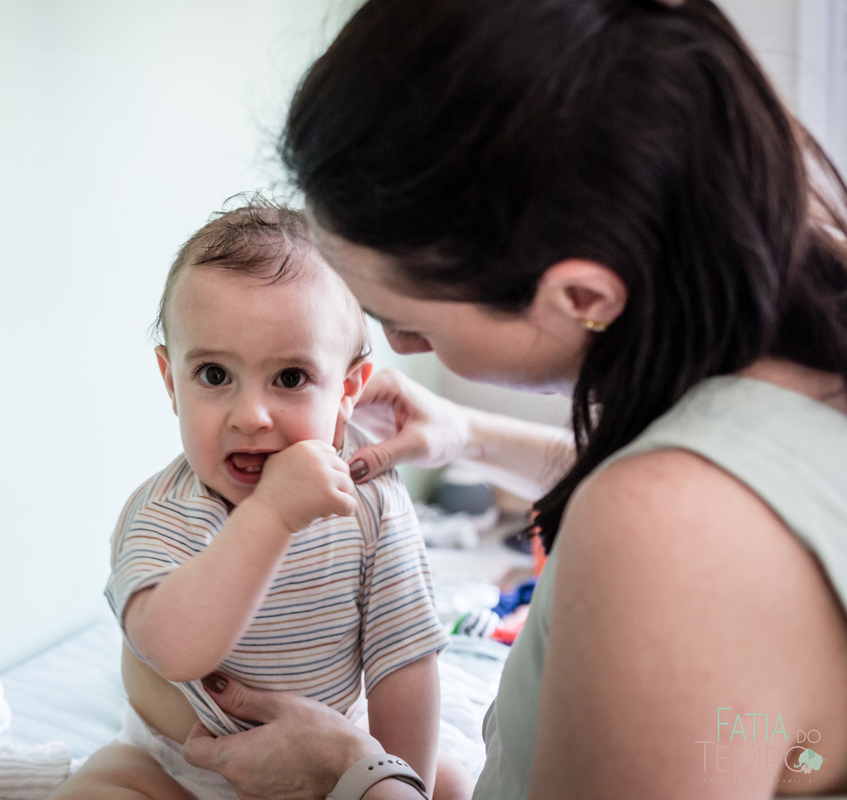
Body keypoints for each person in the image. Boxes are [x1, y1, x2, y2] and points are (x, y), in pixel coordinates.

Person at [179, 0, 847, 799]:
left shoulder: (661, 530)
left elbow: (678, 513)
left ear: (580, 296)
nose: (404, 350)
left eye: (411, 321)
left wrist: (352, 774)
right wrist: (464, 436)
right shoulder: (806, 329)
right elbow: (728, 476)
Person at [52, 201, 473, 800]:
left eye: (291, 378)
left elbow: (401, 658)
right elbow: (172, 650)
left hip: (326, 755)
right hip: (182, 770)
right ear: (172, 382)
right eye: (216, 376)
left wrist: (395, 781)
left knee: (449, 784)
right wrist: (271, 514)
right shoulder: (164, 512)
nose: (250, 417)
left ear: (348, 390)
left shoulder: (370, 494)